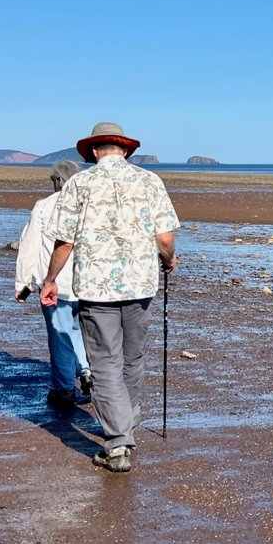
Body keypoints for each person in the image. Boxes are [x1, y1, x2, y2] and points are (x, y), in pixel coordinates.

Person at [41, 122, 180, 473]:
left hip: (95, 287)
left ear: (93, 151)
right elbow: (165, 239)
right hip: (140, 286)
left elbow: (65, 241)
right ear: (125, 150)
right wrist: (168, 260)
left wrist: (50, 279)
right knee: (132, 357)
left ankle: (118, 443)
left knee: (105, 362)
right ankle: (126, 423)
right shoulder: (150, 181)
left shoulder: (80, 183)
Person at [14, 160, 93, 408]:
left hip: (56, 284)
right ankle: (86, 370)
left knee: (60, 335)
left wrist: (24, 282)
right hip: (90, 284)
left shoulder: (45, 206)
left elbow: (29, 245)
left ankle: (64, 387)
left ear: (58, 181)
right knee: (80, 331)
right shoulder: (90, 205)